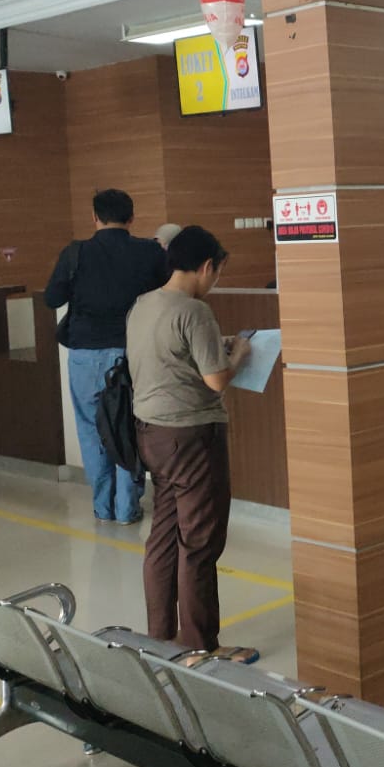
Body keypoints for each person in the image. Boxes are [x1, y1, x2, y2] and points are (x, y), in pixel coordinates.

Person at [126, 226, 252, 654]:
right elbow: (216, 380)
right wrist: (239, 354)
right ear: (206, 266)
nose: (214, 281)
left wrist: (215, 347)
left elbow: (169, 357)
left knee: (163, 536)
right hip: (192, 437)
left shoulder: (144, 304)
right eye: (217, 273)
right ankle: (200, 647)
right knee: (199, 541)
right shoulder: (194, 311)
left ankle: (161, 635)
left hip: (152, 434)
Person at [44, 188, 169, 525]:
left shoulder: (75, 253)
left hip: (85, 354)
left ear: (94, 217)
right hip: (134, 353)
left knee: (91, 429)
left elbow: (52, 299)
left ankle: (103, 506)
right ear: (132, 217)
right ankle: (128, 506)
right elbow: (169, 293)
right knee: (129, 425)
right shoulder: (149, 252)